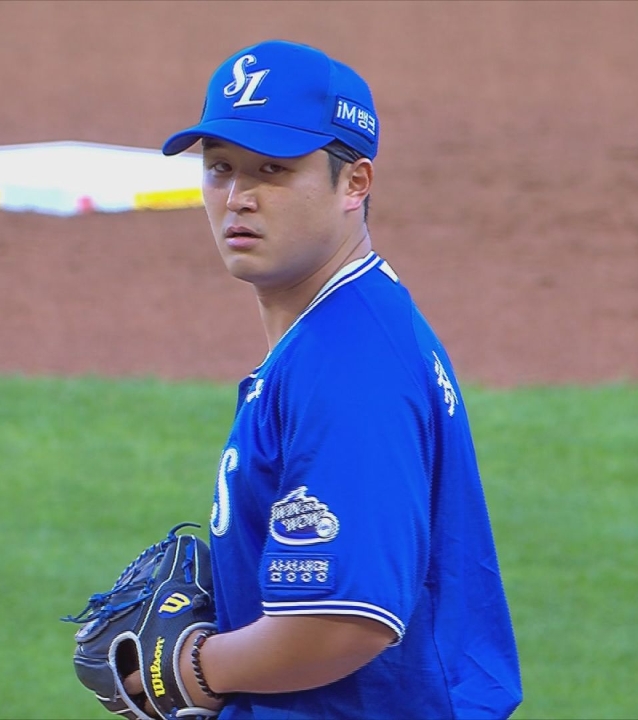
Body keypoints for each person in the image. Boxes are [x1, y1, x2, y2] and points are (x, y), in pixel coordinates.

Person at [128, 39, 522, 719]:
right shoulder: (341, 327)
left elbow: (342, 622)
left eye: (273, 170)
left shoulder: (348, 365)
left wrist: (190, 669)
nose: (238, 198)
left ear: (355, 184)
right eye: (220, 168)